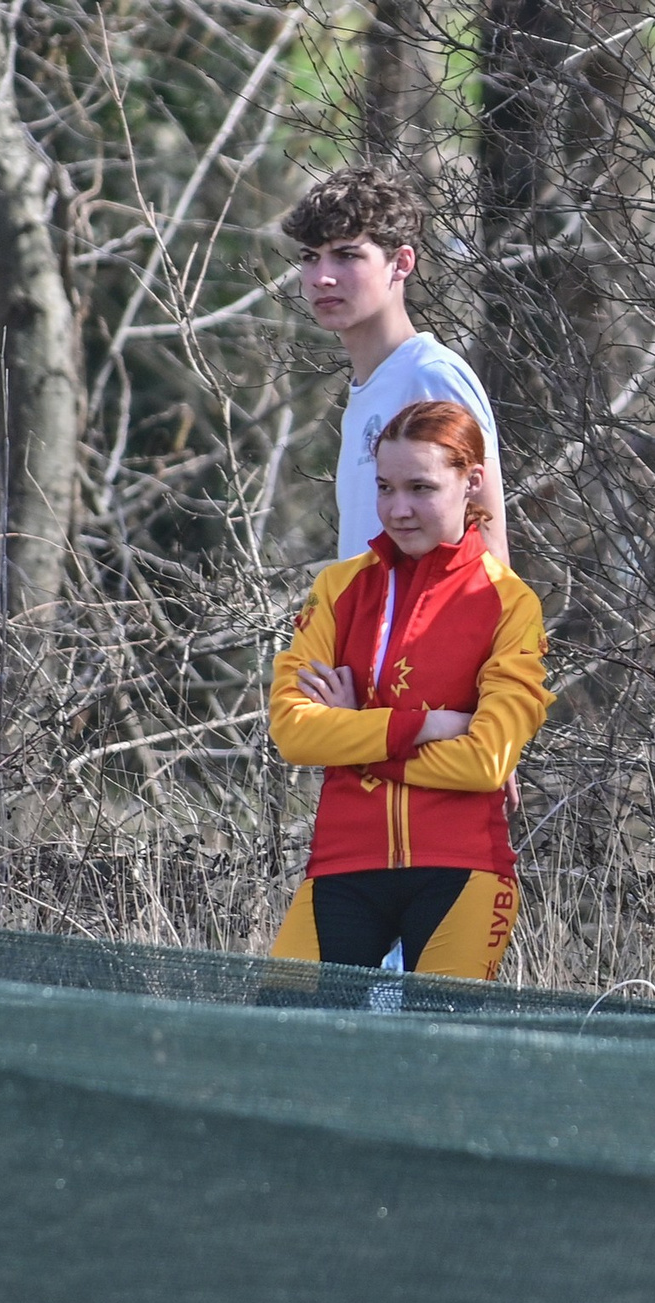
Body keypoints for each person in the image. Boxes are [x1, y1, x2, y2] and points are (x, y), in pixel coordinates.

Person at [267, 401, 551, 979]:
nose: (398, 510)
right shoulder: (338, 587)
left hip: (464, 868)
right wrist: (421, 725)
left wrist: (357, 737)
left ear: (472, 482)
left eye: (421, 487)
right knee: (284, 1045)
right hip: (343, 864)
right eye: (384, 487)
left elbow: (485, 763)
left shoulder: (510, 602)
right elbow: (293, 733)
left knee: (440, 1059)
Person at [283, 166, 511, 568]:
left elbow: (489, 553)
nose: (322, 277)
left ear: (402, 263)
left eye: (346, 255)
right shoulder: (367, 387)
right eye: (310, 258)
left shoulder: (430, 377)